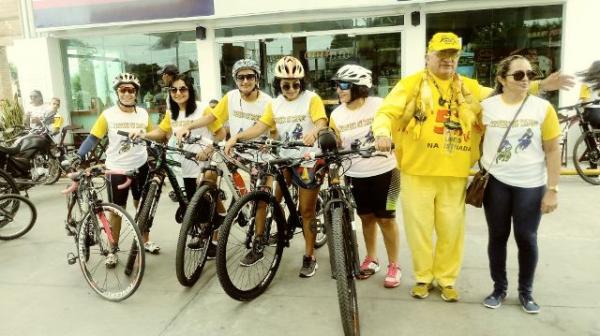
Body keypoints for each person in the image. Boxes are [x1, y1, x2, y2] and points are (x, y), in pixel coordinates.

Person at [372, 32, 573, 302]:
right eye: (442, 55)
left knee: (451, 231)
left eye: (453, 55)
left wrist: (540, 86)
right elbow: (387, 112)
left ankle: (446, 279)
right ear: (427, 57)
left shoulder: (468, 86)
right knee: (419, 231)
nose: (448, 60)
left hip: (455, 174)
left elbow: (502, 94)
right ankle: (423, 277)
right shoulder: (410, 85)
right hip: (417, 172)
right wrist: (382, 133)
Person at [224, 56, 328, 278]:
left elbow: (321, 121)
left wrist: (314, 132)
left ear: (302, 83)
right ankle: (270, 237)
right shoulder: (275, 104)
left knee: (306, 212)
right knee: (272, 200)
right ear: (278, 84)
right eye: (285, 84)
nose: (291, 89)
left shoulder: (312, 99)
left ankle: (310, 256)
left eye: (296, 84)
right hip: (284, 160)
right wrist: (237, 137)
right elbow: (261, 126)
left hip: (307, 160)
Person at [479, 55, 560, 314]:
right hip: (496, 183)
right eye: (518, 75)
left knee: (526, 237)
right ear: (502, 79)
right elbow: (470, 137)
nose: (525, 79)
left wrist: (552, 189)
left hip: (531, 184)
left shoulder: (542, 108)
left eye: (529, 74)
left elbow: (552, 150)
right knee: (498, 236)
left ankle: (526, 292)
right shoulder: (486, 107)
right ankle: (499, 289)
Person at [131, 74, 226, 257]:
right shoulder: (171, 112)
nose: (178, 93)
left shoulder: (202, 109)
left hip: (205, 161)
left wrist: (209, 149)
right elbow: (161, 131)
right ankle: (204, 233)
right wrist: (143, 134)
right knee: (194, 204)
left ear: (190, 90)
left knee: (207, 200)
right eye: (173, 90)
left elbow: (221, 135)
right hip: (185, 165)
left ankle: (215, 239)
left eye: (183, 89)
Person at [329, 64, 402, 288]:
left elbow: (392, 124)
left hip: (387, 172)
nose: (338, 90)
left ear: (359, 87)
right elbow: (336, 139)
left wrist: (385, 137)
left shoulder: (379, 105)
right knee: (366, 218)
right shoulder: (336, 114)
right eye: (337, 85)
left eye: (343, 85)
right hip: (355, 174)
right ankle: (372, 259)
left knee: (386, 219)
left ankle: (394, 265)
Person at [75, 72, 158, 261]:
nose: (127, 93)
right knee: (116, 211)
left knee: (142, 206)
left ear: (136, 93)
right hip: (117, 169)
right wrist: (78, 155)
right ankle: (113, 249)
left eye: (131, 90)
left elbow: (154, 134)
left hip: (141, 165)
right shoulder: (108, 115)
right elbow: (93, 138)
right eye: (123, 89)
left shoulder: (143, 113)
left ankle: (145, 241)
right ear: (117, 92)